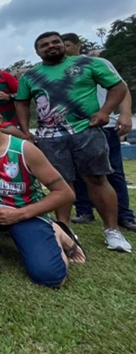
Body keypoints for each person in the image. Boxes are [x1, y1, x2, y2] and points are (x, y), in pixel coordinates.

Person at [15, 31, 132, 253]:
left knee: (97, 179)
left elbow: (118, 87)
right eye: (44, 45)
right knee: (60, 184)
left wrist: (106, 111)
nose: (50, 46)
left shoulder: (87, 63)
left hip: (86, 130)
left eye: (55, 42)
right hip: (50, 136)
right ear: (37, 51)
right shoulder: (30, 76)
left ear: (63, 45)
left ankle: (112, 231)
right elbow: (21, 103)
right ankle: (64, 228)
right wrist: (24, 130)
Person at [0, 101, 84, 287]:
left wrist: (19, 214)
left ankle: (57, 231)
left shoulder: (24, 148)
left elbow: (65, 193)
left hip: (25, 212)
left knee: (51, 278)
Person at [61, 32, 136, 232]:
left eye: (66, 44)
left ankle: (124, 215)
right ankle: (84, 211)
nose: (63, 49)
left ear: (78, 45)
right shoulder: (57, 71)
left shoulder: (97, 63)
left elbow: (122, 89)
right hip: (73, 128)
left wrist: (125, 114)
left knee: (112, 172)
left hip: (103, 126)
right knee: (77, 173)